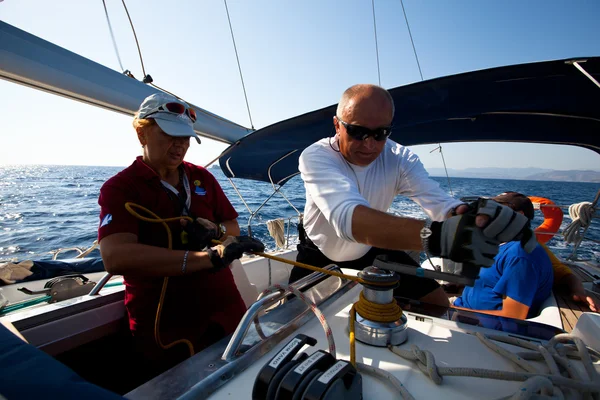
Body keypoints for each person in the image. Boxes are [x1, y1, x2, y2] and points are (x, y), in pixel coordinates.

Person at [290, 84, 535, 306]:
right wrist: (440, 237)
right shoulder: (317, 157)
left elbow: (439, 202)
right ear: (337, 125)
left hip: (370, 250)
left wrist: (469, 215)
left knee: (438, 304)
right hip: (318, 254)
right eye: (357, 132)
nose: (369, 144)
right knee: (287, 324)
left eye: (381, 133)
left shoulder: (399, 159)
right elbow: (348, 220)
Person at [97, 92, 264, 375]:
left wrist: (217, 231)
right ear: (142, 133)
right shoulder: (121, 188)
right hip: (166, 324)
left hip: (225, 309)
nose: (180, 145)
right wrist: (208, 258)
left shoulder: (202, 177)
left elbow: (231, 225)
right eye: (170, 134)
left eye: (185, 137)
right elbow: (115, 257)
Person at [453, 192, 554, 319]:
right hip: (463, 309)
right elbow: (491, 279)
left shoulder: (520, 255)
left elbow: (512, 316)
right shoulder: (499, 245)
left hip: (481, 327)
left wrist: (453, 310)